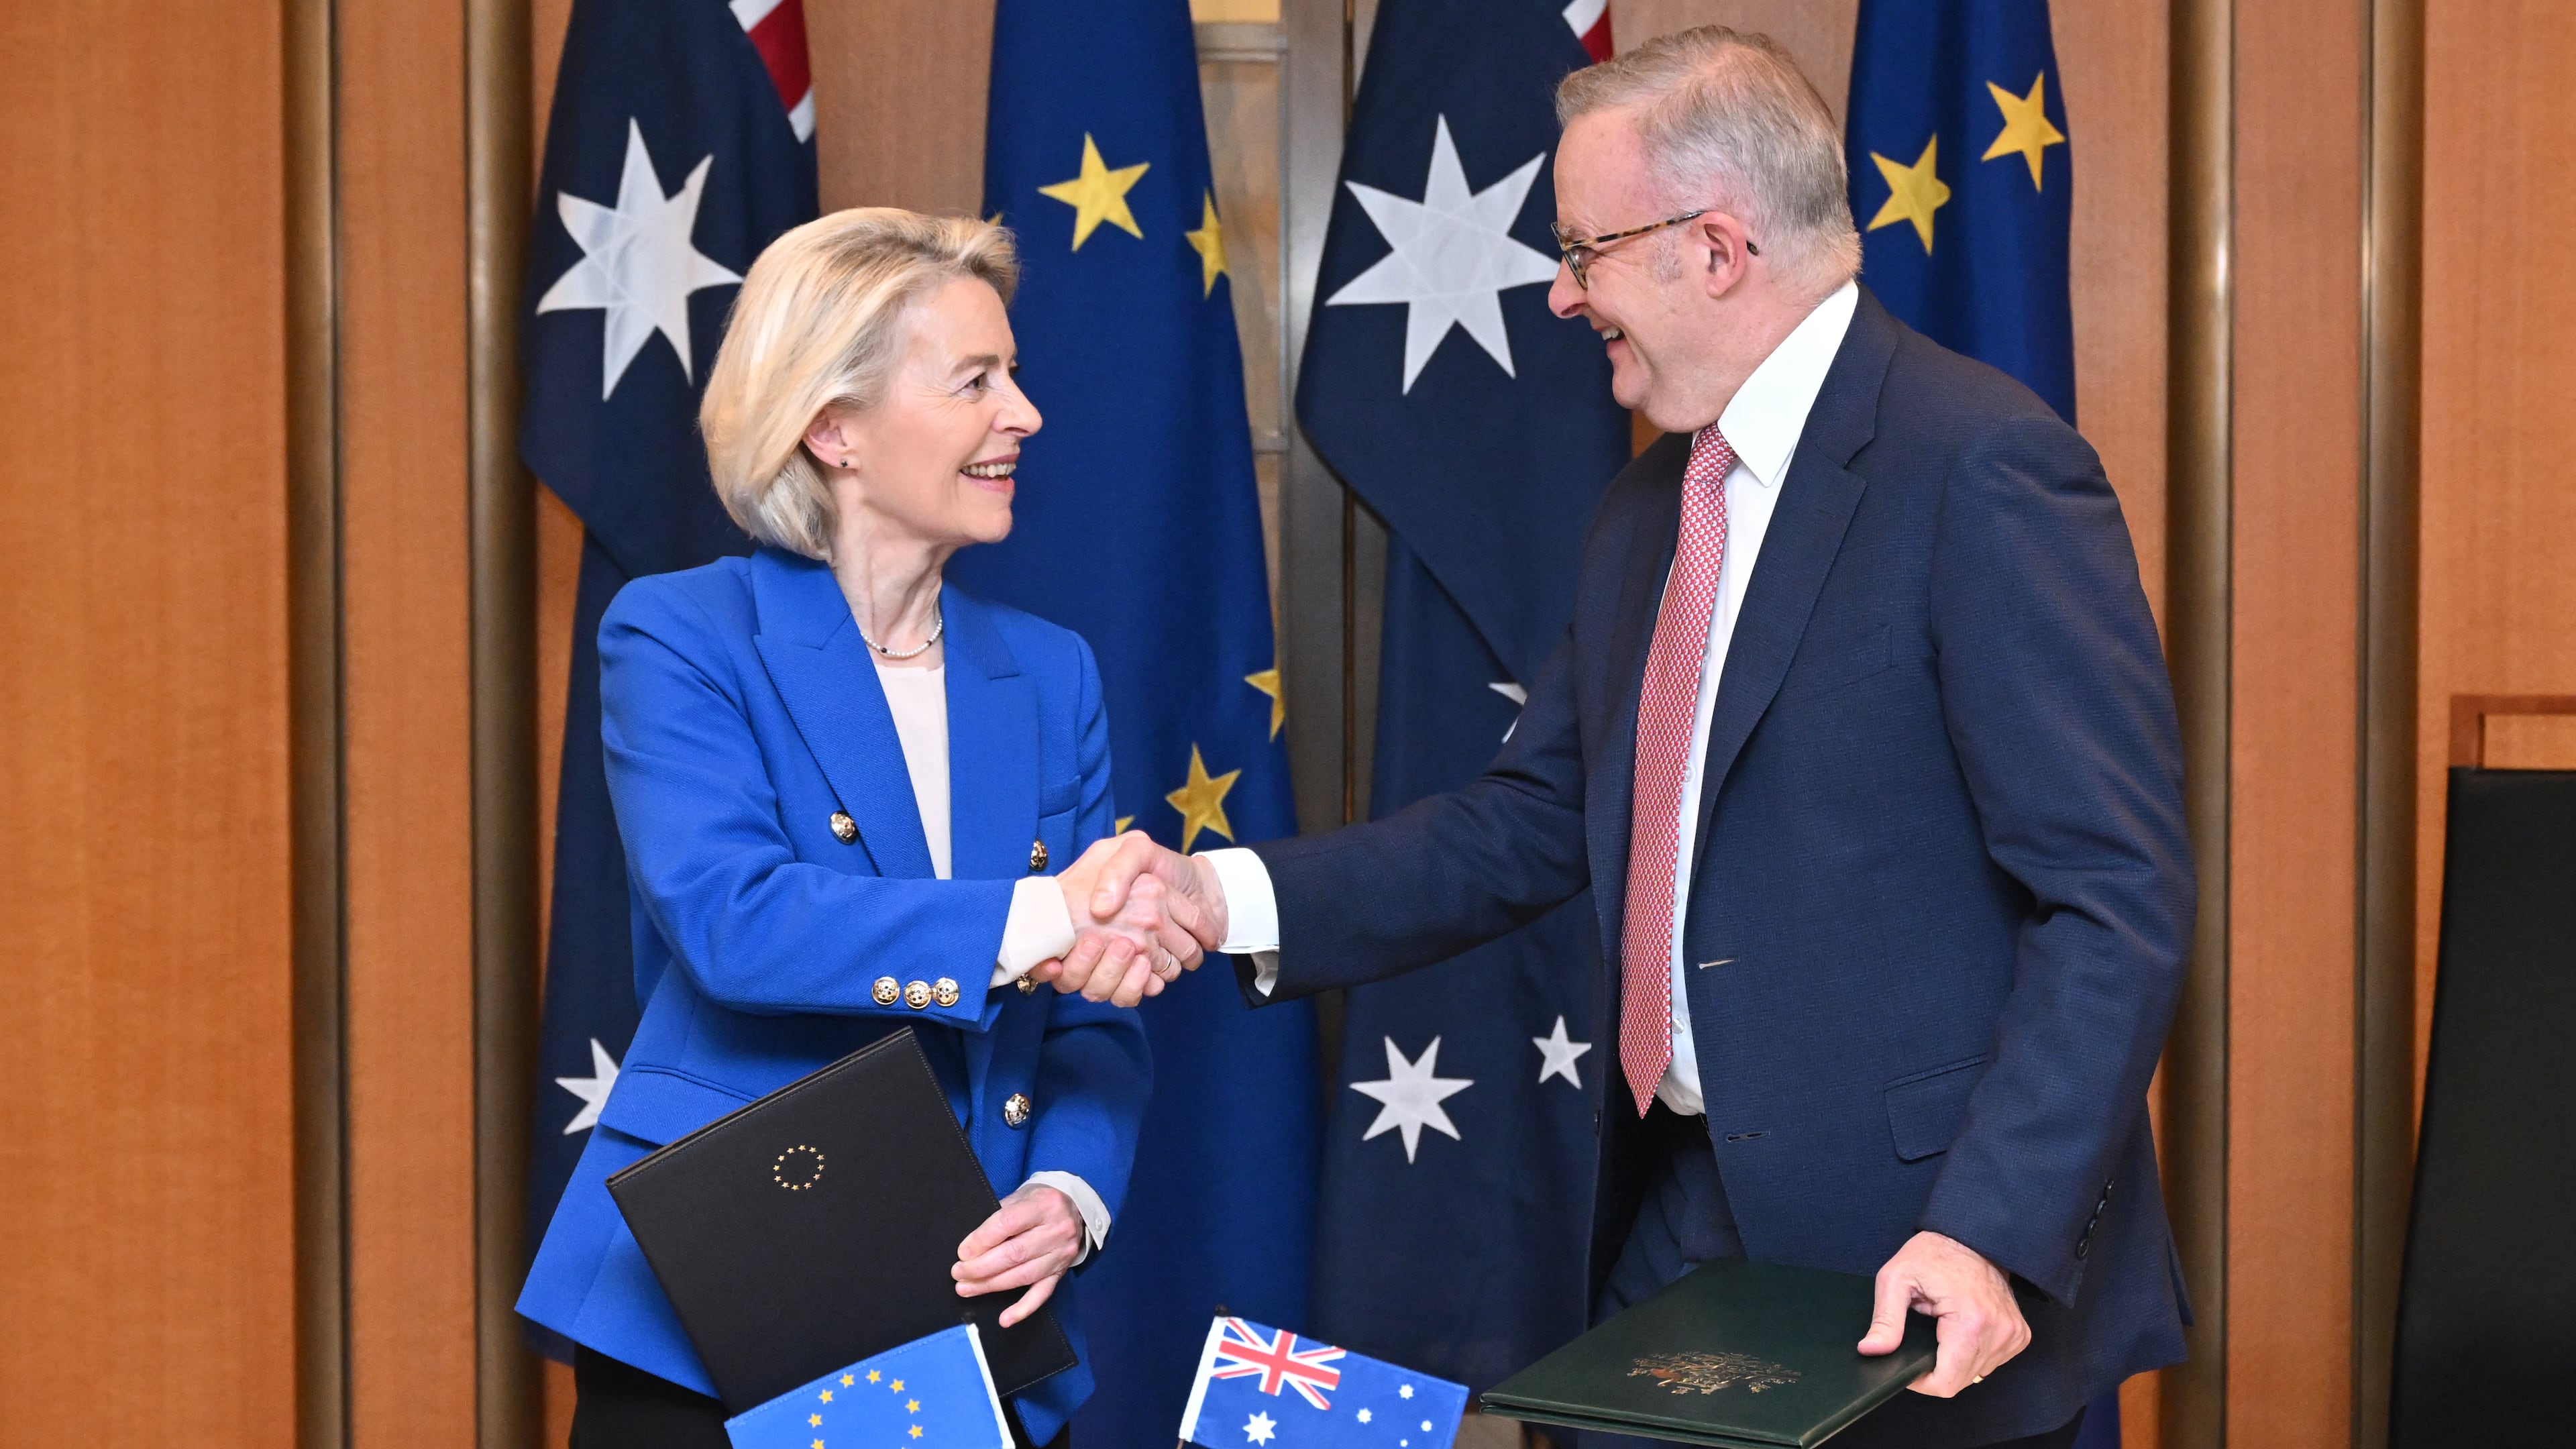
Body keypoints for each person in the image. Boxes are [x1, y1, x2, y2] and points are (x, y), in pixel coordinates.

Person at [1053, 29, 2191, 1449]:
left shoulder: (1979, 465)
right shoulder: (1649, 508)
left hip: (1922, 1243)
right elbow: (1530, 822)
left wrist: (1988, 1230)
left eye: (1584, 249)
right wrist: (1216, 896)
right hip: (1682, 1203)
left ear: (1712, 249)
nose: (1558, 288)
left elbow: (2113, 896)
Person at [516, 209, 1212, 1449]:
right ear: (832, 427)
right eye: (976, 381)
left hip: (964, 1319)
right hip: (719, 1310)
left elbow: (1095, 1005)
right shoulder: (681, 635)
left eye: (1015, 374)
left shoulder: (1051, 675)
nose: (1026, 414)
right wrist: (1051, 914)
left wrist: (1070, 1191)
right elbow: (736, 923)